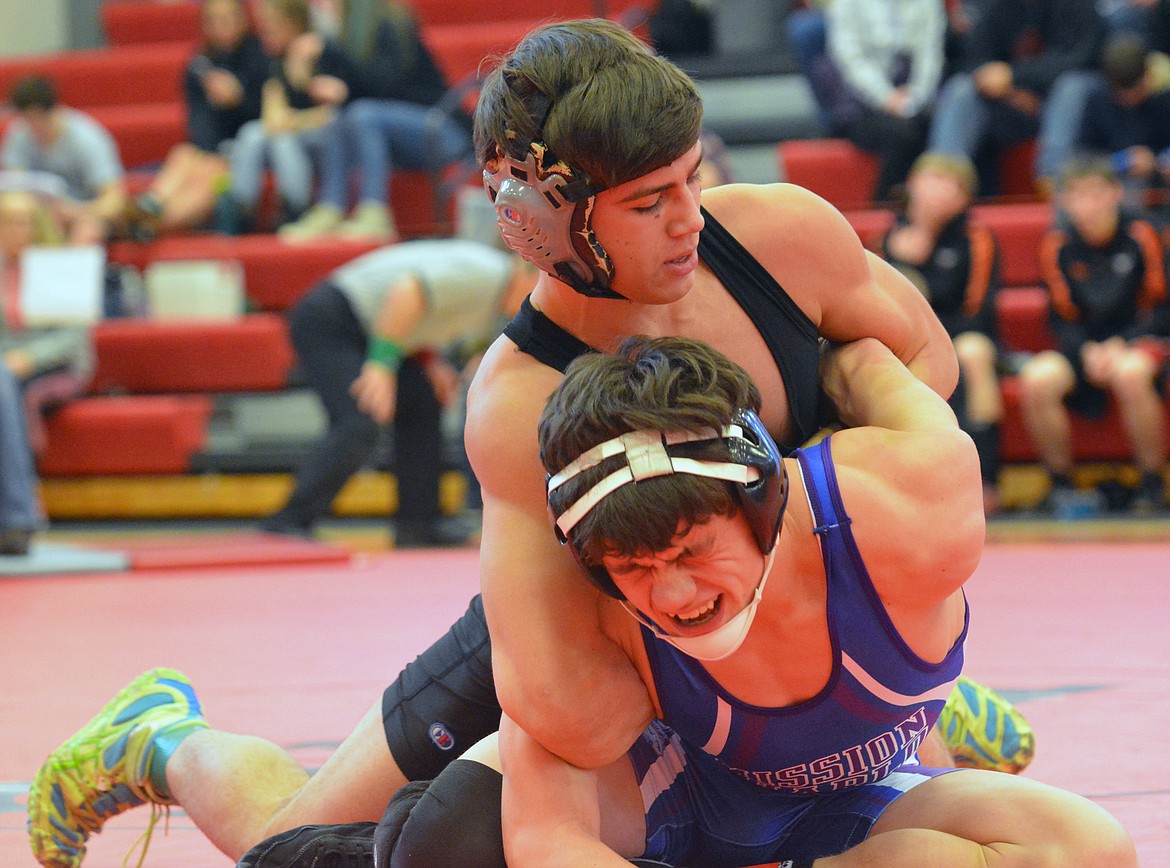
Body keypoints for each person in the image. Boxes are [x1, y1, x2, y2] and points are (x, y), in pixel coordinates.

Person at [26, 19, 1032, 868]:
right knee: (308, 842)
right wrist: (770, 663)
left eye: (691, 179)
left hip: (751, 588)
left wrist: (827, 601)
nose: (690, 219)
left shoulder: (776, 236)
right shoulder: (519, 400)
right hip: (594, 607)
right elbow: (574, 710)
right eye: (649, 203)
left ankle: (863, 700)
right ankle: (160, 738)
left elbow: (926, 364)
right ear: (546, 225)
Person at [466, 333, 1135, 866]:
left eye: (690, 551)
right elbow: (547, 843)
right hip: (690, 786)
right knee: (447, 840)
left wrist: (835, 339)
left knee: (1088, 850)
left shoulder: (905, 509)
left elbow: (882, 345)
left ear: (761, 501)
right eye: (632, 566)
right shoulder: (572, 619)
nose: (671, 594)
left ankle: (938, 720)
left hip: (851, 792)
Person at [260, 238, 537, 546]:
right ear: (529, 275)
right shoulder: (488, 272)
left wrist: (428, 359)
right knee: (360, 420)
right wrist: (381, 364)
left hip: (371, 327)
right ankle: (287, 522)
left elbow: (427, 311)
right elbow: (407, 292)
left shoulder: (493, 292)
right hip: (333, 320)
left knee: (423, 399)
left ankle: (418, 524)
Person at [1019, 156, 1170, 513]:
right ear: (1065, 202)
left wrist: (1123, 343)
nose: (1088, 205)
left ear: (1115, 194)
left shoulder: (1143, 233)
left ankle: (1151, 483)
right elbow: (1060, 317)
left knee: (1130, 373)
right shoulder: (1056, 243)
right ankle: (1061, 485)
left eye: (1095, 193)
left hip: (1140, 340)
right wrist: (1085, 350)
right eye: (1077, 195)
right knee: (1037, 378)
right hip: (1083, 348)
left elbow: (1161, 307)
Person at [277, 0, 472, 243]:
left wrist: (329, 52)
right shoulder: (348, 35)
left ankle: (374, 211)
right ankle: (330, 207)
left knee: (361, 114)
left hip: (441, 128)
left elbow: (386, 86)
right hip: (402, 134)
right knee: (339, 118)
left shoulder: (389, 25)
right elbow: (356, 90)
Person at [880, 153, 1004, 513]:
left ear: (964, 196)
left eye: (947, 182)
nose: (935, 190)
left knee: (973, 353)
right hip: (907, 339)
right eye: (929, 178)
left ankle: (985, 476)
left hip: (966, 335)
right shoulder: (888, 238)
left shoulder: (976, 238)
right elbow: (879, 305)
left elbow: (979, 311)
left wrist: (930, 340)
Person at [121, 0, 270, 241]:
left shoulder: (261, 58)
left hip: (248, 152)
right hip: (211, 150)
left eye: (227, 19)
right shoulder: (199, 65)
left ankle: (149, 224)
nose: (221, 27)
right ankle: (152, 204)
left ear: (243, 20)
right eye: (213, 20)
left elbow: (269, 117)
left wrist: (239, 100)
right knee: (185, 155)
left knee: (208, 178)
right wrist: (209, 151)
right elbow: (198, 122)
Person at [927, 0, 1106, 197]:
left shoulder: (1077, 6)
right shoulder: (995, 6)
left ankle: (1055, 181)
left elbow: (1081, 58)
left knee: (1072, 86)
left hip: (1069, 105)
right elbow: (973, 58)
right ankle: (942, 180)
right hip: (1010, 102)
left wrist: (1014, 75)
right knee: (961, 87)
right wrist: (1010, 91)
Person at [0, 190, 94, 557]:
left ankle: (17, 516)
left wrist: (29, 357)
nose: (14, 229)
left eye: (22, 221)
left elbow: (73, 338)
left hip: (55, 367)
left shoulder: (60, 266)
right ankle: (17, 515)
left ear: (37, 225)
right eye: (6, 221)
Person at [223, 0, 355, 233]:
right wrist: (291, 119)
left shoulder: (322, 52)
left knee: (283, 139)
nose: (264, 32)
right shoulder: (274, 62)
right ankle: (242, 210)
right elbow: (272, 116)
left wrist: (300, 97)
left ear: (293, 24)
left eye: (271, 26)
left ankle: (297, 206)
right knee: (252, 134)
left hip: (325, 141)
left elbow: (333, 114)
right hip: (292, 137)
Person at [813, 0, 945, 201]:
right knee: (902, 136)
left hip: (913, 98)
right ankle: (884, 213)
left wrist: (915, 96)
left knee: (937, 127)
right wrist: (885, 97)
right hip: (860, 103)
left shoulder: (928, 4)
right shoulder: (847, 4)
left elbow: (930, 56)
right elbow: (849, 59)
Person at [1, 75, 127, 245]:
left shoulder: (87, 139)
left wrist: (77, 212)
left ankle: (71, 269)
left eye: (38, 119)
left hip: (83, 213)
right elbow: (15, 189)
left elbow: (114, 200)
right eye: (27, 119)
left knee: (87, 229)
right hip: (40, 215)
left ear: (54, 110)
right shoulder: (19, 136)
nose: (34, 127)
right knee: (15, 224)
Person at [1072, 33, 1170, 212]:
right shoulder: (1097, 102)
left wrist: (1156, 162)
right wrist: (1123, 161)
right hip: (1114, 186)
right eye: (1122, 93)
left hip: (1162, 185)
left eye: (1136, 89)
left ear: (1148, 76)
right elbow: (1083, 158)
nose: (1130, 99)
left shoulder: (1163, 99)